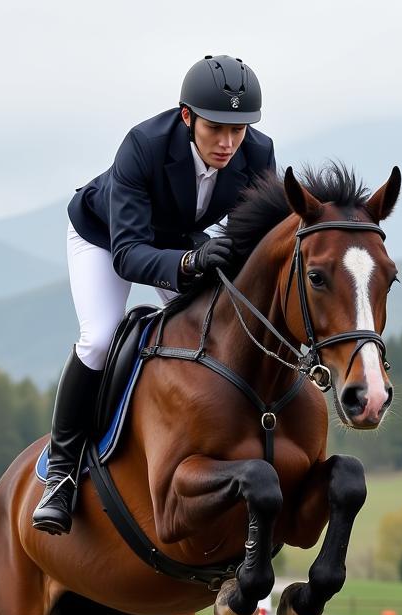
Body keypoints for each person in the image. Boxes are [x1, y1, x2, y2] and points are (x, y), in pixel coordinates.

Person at [32, 55, 276, 535]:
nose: (228, 143)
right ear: (187, 117)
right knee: (100, 337)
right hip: (105, 238)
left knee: (213, 330)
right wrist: (188, 264)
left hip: (181, 240)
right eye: (215, 128)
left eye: (239, 130)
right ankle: (61, 472)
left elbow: (257, 236)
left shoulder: (258, 153)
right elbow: (128, 254)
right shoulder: (143, 146)